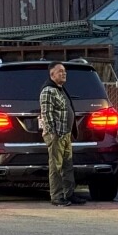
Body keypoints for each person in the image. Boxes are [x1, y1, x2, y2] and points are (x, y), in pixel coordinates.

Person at [39, 62, 86, 207]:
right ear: (52, 75)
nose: (64, 73)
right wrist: (53, 133)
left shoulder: (60, 90)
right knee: (56, 166)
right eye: (60, 71)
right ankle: (57, 196)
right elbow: (47, 114)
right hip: (56, 135)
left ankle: (69, 194)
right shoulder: (48, 91)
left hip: (65, 134)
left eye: (64, 71)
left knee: (67, 166)